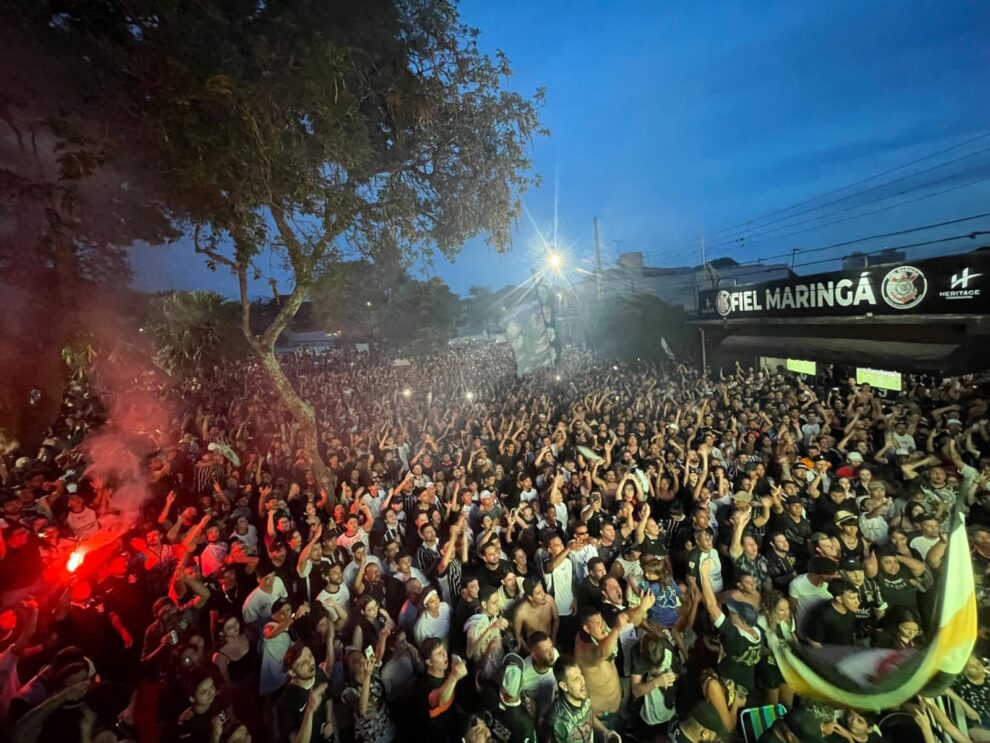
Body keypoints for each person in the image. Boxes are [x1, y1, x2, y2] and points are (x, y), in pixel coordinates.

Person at [275, 642, 334, 743]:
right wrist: (309, 710)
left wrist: (329, 721)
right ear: (292, 672)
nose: (310, 663)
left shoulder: (319, 673)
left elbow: (328, 698)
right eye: (303, 664)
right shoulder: (286, 703)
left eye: (310, 656)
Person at [417, 636, 468, 739]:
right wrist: (454, 677)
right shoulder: (424, 685)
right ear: (429, 662)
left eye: (444, 649)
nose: (445, 655)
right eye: (439, 654)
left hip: (454, 725)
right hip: (440, 735)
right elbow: (439, 699)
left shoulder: (447, 672)